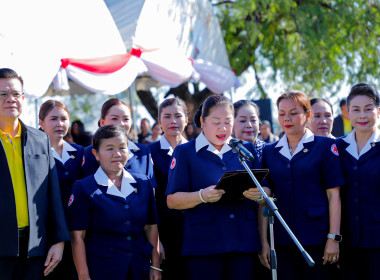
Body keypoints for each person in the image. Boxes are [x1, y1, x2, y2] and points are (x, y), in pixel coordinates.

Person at [166, 95, 269, 280]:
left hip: (243, 242)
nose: (223, 128)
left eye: (228, 122)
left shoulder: (245, 149)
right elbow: (172, 200)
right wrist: (201, 196)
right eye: (216, 122)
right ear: (202, 122)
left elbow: (267, 191)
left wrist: (259, 194)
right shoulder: (185, 152)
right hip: (204, 245)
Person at [261, 90, 344, 280]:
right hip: (282, 239)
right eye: (282, 114)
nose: (286, 118)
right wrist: (265, 242)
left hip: (318, 239)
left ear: (307, 115)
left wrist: (334, 237)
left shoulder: (324, 147)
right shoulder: (269, 152)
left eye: (293, 112)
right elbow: (266, 197)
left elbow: (334, 195)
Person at [0, 68, 69, 280]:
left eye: (16, 94)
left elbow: (52, 194)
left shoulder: (40, 139)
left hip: (35, 249)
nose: (11, 99)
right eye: (3, 94)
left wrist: (58, 241)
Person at [68, 125, 161, 280]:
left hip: (139, 268)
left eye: (122, 147)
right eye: (109, 148)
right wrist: (83, 275)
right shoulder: (83, 187)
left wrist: (155, 265)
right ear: (96, 154)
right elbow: (77, 237)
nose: (117, 154)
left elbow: (151, 226)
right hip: (102, 270)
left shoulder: (143, 183)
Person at [336, 83, 380, 280]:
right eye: (356, 110)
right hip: (348, 243)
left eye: (368, 109)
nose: (362, 115)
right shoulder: (338, 147)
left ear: (378, 111)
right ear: (348, 113)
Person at [39, 100, 84, 280]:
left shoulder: (81, 152)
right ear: (41, 123)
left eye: (64, 119)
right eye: (53, 119)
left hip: (79, 232)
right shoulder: (34, 154)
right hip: (48, 235)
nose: (60, 124)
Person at [149, 98, 189, 280]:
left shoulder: (198, 150)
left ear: (186, 120)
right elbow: (150, 200)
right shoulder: (149, 152)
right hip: (164, 231)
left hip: (196, 229)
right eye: (167, 116)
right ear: (159, 121)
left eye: (178, 116)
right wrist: (156, 242)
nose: (173, 121)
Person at [82, 98, 157, 189]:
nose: (121, 124)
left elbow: (150, 189)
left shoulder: (143, 152)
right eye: (114, 118)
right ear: (102, 122)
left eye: (126, 119)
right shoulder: (89, 153)